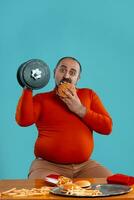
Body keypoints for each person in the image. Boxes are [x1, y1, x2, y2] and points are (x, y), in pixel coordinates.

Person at [15, 56, 113, 179]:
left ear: (78, 78)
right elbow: (23, 121)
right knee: (42, 191)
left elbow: (107, 127)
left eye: (72, 73)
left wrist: (80, 110)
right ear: (54, 72)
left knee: (112, 186)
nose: (66, 75)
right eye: (62, 70)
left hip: (85, 167)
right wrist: (28, 87)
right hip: (47, 166)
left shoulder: (89, 95)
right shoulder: (41, 99)